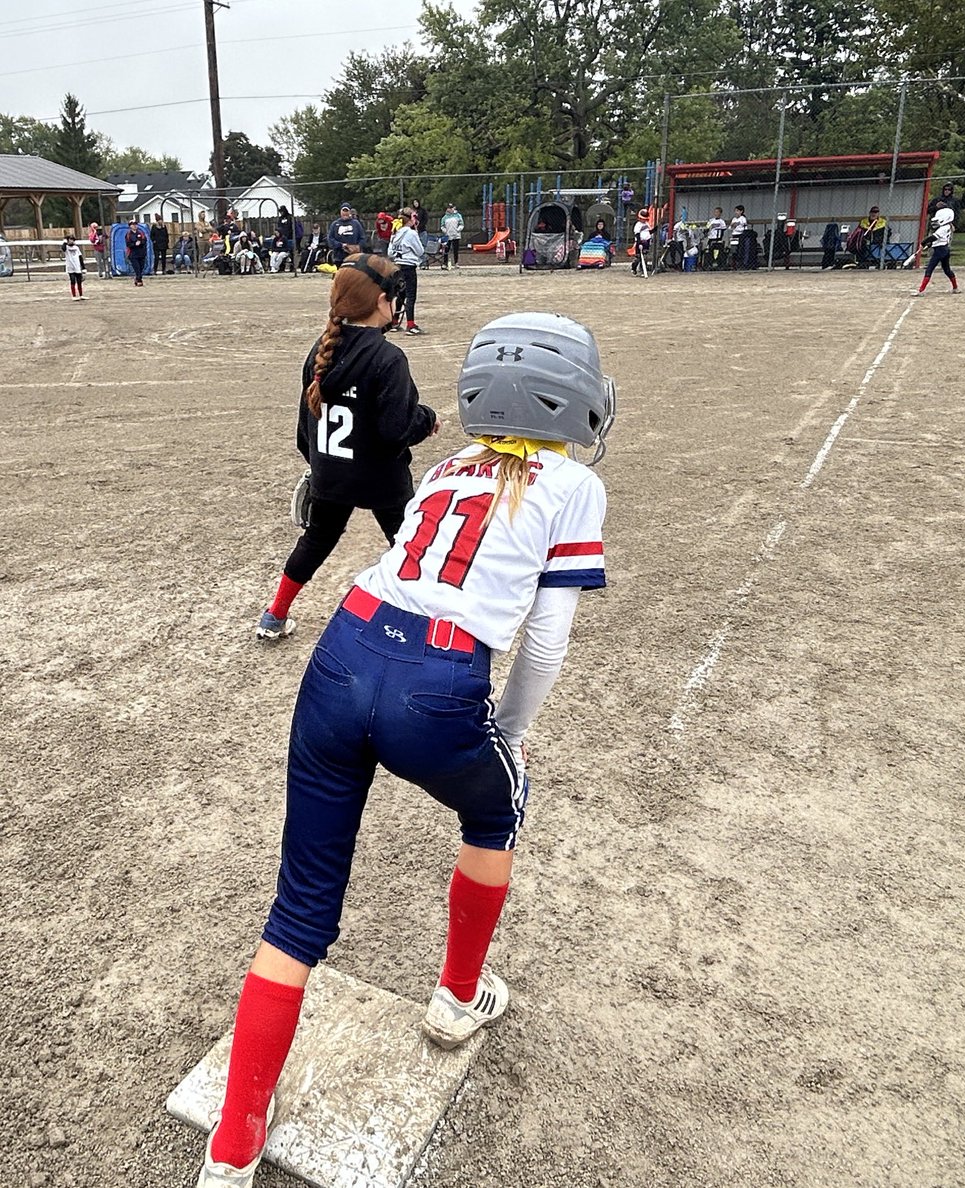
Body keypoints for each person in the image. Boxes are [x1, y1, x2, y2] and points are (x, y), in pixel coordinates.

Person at [198, 311, 612, 1188]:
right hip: (441, 678)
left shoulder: (451, 464)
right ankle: (457, 998)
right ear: (574, 400)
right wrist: (516, 734)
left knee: (299, 911)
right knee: (498, 808)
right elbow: (543, 645)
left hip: (343, 649)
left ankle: (232, 1147)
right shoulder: (573, 487)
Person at [255, 255, 439, 643]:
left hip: (331, 471)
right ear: (381, 301)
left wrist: (318, 466)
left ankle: (274, 615)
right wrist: (427, 419)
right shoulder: (388, 357)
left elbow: (305, 427)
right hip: (380, 476)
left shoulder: (321, 350)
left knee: (316, 540)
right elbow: (395, 429)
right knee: (408, 545)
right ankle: (429, 622)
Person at [387, 208, 425, 335]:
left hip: (397, 267)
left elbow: (390, 253)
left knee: (400, 294)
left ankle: (394, 322)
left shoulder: (395, 233)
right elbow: (420, 251)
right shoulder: (411, 233)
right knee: (410, 295)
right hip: (409, 266)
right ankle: (410, 324)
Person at [912, 203, 959, 295]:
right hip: (944, 249)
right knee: (947, 270)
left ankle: (921, 290)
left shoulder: (944, 228)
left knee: (929, 269)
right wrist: (929, 244)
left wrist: (923, 242)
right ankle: (955, 288)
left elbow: (933, 237)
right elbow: (936, 240)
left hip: (940, 251)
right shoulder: (945, 227)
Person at [124, 217, 148, 287]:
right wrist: (134, 244)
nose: (134, 226)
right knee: (137, 268)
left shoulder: (141, 233)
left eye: (135, 224)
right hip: (133, 254)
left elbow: (144, 240)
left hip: (141, 253)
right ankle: (139, 280)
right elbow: (128, 244)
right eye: (133, 224)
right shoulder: (128, 234)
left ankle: (137, 279)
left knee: (141, 267)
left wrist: (140, 243)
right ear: (130, 226)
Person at [440, 203, 464, 269]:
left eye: (451, 208)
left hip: (456, 235)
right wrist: (445, 231)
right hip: (448, 236)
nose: (450, 209)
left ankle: (456, 263)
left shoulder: (458, 215)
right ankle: (445, 263)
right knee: (446, 249)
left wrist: (457, 230)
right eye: (449, 208)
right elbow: (442, 226)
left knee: (455, 250)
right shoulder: (444, 217)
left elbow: (461, 224)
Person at [631, 207, 653, 275]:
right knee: (638, 257)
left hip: (647, 242)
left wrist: (655, 229)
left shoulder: (647, 224)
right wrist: (639, 243)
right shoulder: (638, 225)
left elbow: (649, 232)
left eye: (645, 219)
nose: (644, 220)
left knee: (645, 256)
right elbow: (637, 235)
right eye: (643, 219)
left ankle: (643, 270)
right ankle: (633, 268)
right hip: (640, 242)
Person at [63, 234, 86, 301]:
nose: (71, 241)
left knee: (79, 281)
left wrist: (83, 267)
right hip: (70, 267)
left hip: (77, 267)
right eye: (70, 239)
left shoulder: (76, 248)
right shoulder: (66, 247)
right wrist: (64, 242)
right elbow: (63, 248)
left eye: (72, 240)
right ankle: (73, 295)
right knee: (73, 280)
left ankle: (81, 295)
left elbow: (80, 257)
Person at [411, 197, 430, 268]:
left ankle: (424, 263)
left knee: (423, 247)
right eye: (414, 203)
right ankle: (419, 262)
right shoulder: (412, 211)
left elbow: (425, 220)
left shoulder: (423, 211)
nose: (415, 204)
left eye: (417, 202)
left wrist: (419, 226)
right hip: (414, 232)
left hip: (422, 231)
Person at [728, 204, 748, 269]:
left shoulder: (743, 218)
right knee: (734, 250)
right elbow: (730, 227)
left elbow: (744, 227)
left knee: (740, 250)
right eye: (735, 211)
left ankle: (741, 264)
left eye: (737, 211)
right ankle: (734, 264)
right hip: (734, 235)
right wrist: (733, 225)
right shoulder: (734, 219)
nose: (736, 212)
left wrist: (736, 226)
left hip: (741, 235)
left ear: (741, 211)